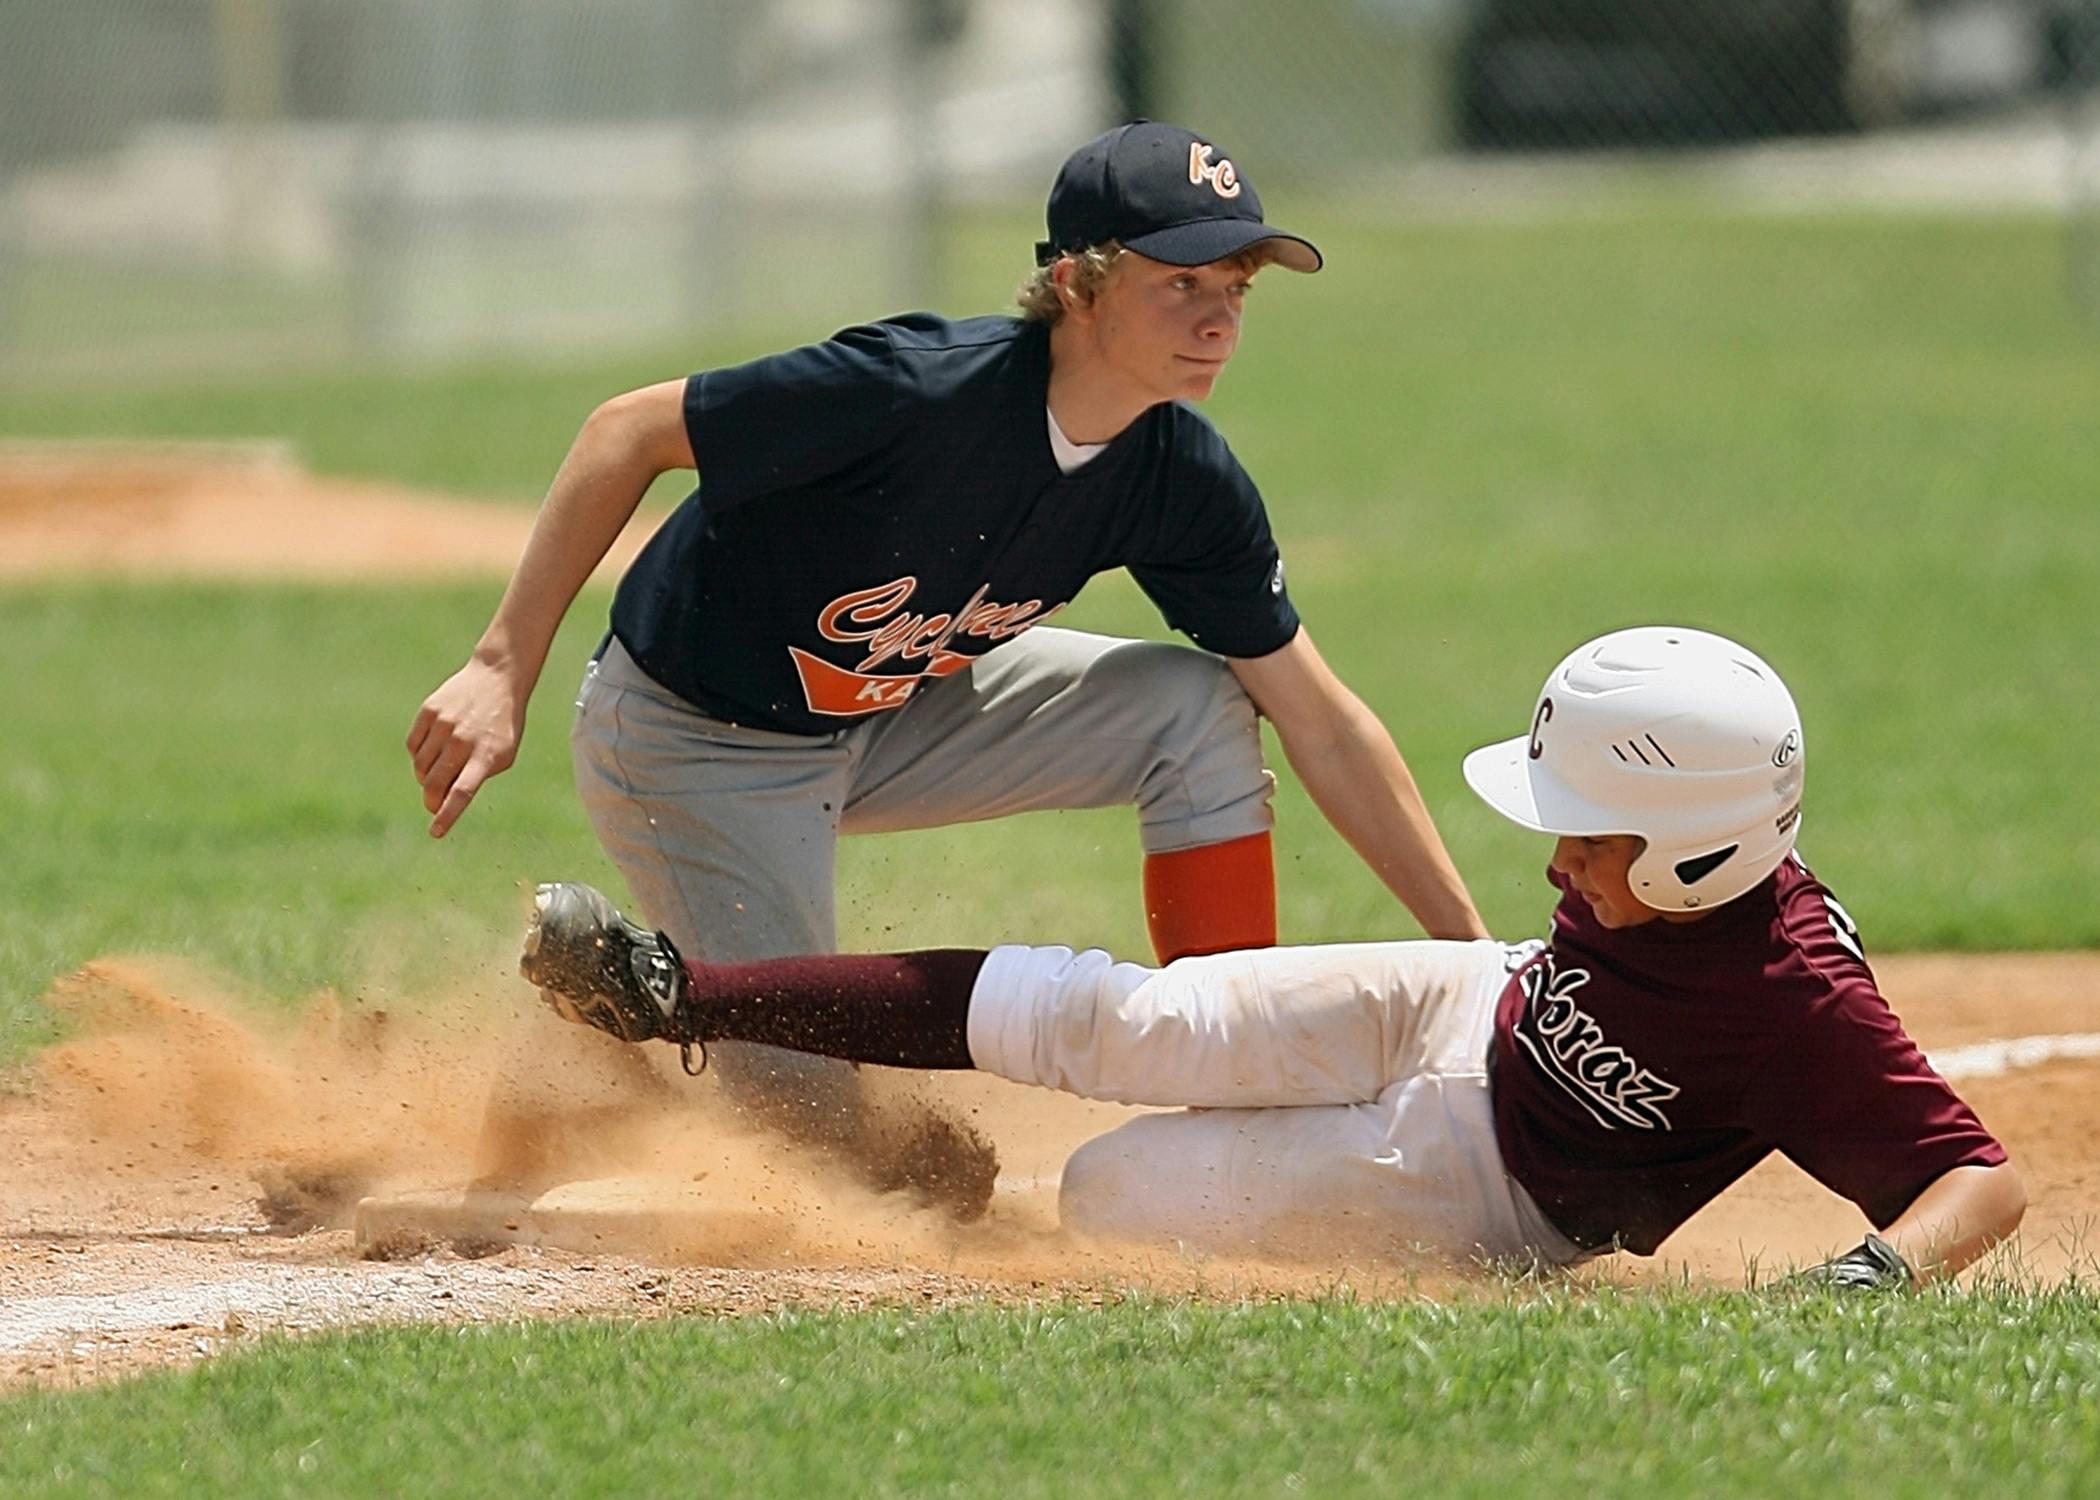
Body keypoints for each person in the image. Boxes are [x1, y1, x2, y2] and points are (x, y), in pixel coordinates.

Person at [407, 122, 1486, 1184]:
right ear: (1077, 283)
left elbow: (1324, 723)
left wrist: (1479, 965)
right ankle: (603, 1028)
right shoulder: (917, 391)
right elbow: (626, 432)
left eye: (1235, 291)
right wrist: (501, 667)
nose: (1217, 323)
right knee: (822, 1151)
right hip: (696, 742)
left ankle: (1234, 1073)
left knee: (1194, 706)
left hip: (893, 711)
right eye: (1180, 285)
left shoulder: (1178, 477)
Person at [516, 626, 2025, 1283]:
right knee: (1116, 1018)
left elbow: (1981, 1178)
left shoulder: (1800, 1006)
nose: (1559, 855)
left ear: (1705, 848)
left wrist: (1876, 1279)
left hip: (1504, 1192)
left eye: (1594, 836)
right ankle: (672, 991)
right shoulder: (1659, 876)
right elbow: (1563, 913)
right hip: (1470, 1001)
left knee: (1115, 1193)